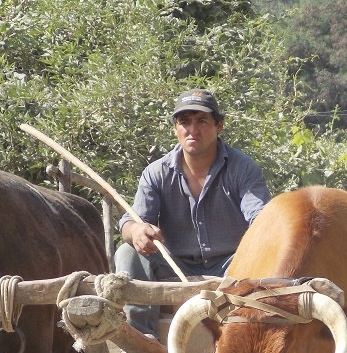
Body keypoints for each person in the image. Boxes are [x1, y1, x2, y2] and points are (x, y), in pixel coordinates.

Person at [114, 88, 272, 339]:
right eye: (184, 121)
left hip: (233, 267)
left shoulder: (243, 169)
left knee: (268, 249)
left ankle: (253, 331)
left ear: (219, 126)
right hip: (174, 266)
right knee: (128, 250)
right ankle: (141, 336)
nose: (192, 129)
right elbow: (130, 223)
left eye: (202, 121)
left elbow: (262, 220)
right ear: (176, 128)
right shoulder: (156, 173)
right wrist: (137, 231)